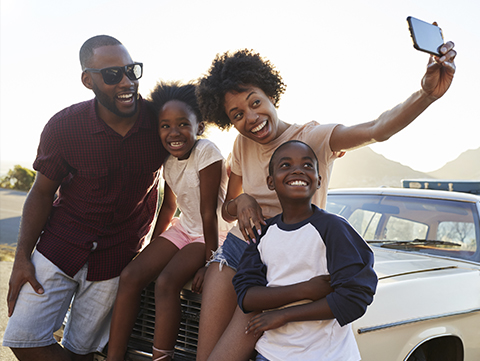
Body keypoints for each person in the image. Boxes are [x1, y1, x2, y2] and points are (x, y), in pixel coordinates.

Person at [195, 42, 456, 361]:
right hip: (235, 251)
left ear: (270, 94)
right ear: (229, 121)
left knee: (224, 355)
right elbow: (228, 207)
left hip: (278, 266)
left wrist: (426, 94)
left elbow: (378, 129)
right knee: (204, 355)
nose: (251, 118)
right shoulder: (241, 144)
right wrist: (244, 200)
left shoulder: (312, 137)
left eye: (255, 103)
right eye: (237, 114)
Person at [3, 35, 167, 361]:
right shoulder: (64, 127)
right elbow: (41, 193)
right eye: (112, 75)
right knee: (24, 341)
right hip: (59, 247)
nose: (126, 82)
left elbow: (174, 190)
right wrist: (22, 256)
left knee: (82, 351)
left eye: (132, 71)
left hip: (117, 257)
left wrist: (154, 250)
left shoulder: (160, 124)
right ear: (87, 80)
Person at [105, 81, 231, 361]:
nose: (174, 132)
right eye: (165, 125)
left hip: (212, 234)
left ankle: (161, 358)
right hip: (184, 228)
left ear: (199, 126)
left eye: (183, 124)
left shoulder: (207, 152)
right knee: (130, 276)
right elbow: (169, 205)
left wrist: (211, 263)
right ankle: (113, 357)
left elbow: (208, 212)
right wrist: (151, 247)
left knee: (166, 283)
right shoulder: (168, 159)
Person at [232, 140, 377, 361]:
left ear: (319, 180)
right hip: (271, 354)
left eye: (307, 165)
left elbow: (355, 298)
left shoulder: (334, 228)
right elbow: (246, 296)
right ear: (271, 182)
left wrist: (284, 315)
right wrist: (305, 290)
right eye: (285, 165)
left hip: (326, 355)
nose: (297, 170)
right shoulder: (262, 233)